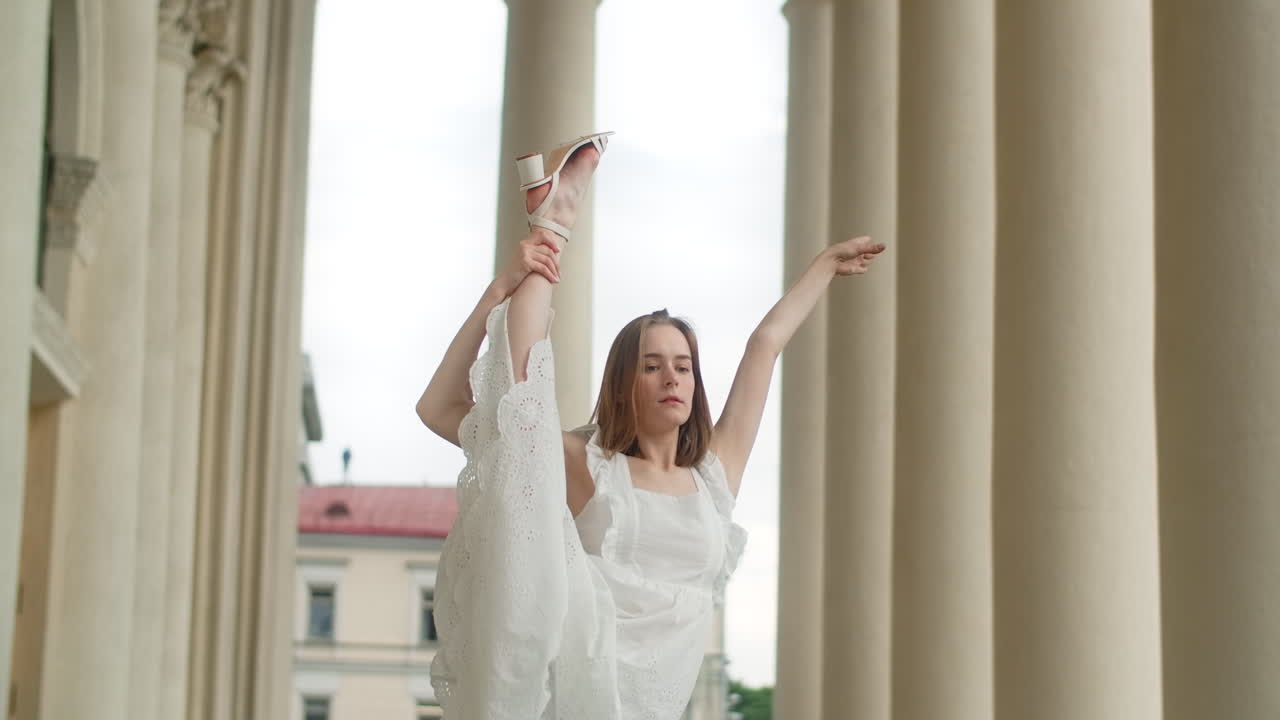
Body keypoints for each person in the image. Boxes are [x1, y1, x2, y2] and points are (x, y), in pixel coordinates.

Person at [415, 132, 885, 720]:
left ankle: (547, 212)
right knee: (523, 433)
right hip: (577, 690)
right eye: (653, 365)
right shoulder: (592, 469)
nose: (672, 378)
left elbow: (763, 347)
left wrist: (823, 268)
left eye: (684, 366)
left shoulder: (715, 477)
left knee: (525, 438)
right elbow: (438, 408)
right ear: (622, 384)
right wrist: (497, 292)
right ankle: (551, 225)